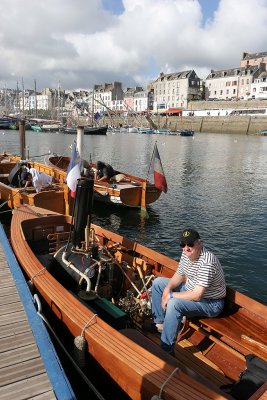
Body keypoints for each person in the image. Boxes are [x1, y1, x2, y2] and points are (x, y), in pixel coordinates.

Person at [149, 228, 226, 354]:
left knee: (174, 304)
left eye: (190, 244)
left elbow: (197, 295)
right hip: (190, 289)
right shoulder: (185, 254)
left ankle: (166, 350)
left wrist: (171, 295)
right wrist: (168, 289)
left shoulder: (207, 261)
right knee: (158, 283)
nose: (186, 248)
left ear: (199, 243)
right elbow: (179, 275)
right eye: (182, 245)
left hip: (211, 302)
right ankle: (160, 325)